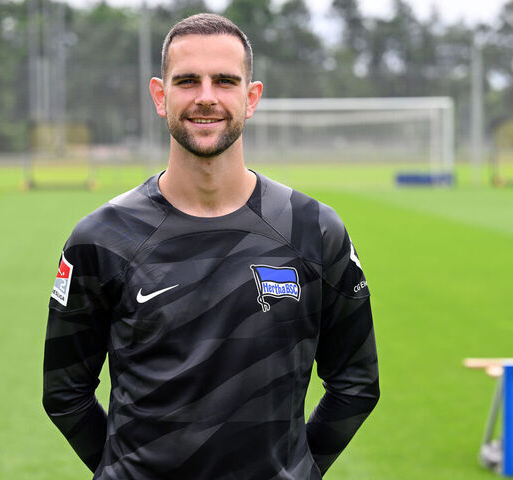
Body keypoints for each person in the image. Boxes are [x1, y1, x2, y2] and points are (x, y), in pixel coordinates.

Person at [43, 13, 379, 480]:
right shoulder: (101, 237)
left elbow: (357, 383)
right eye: (187, 81)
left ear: (251, 97)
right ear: (161, 96)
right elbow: (64, 392)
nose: (206, 97)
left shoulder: (313, 229)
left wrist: (299, 470)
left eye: (224, 80)